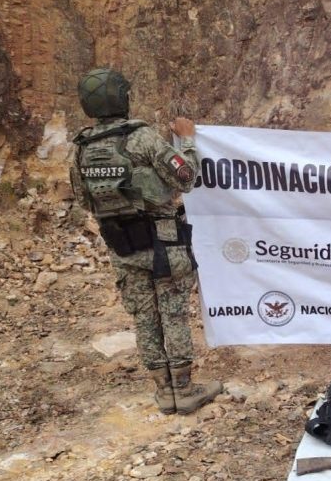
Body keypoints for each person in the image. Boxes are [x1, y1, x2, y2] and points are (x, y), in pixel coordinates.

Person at [71, 68, 222, 415]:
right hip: (163, 242)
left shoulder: (81, 148)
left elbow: (83, 199)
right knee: (172, 312)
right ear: (121, 98)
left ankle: (164, 392)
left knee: (144, 317)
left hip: (122, 246)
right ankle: (185, 390)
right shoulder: (141, 137)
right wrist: (187, 140)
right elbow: (186, 177)